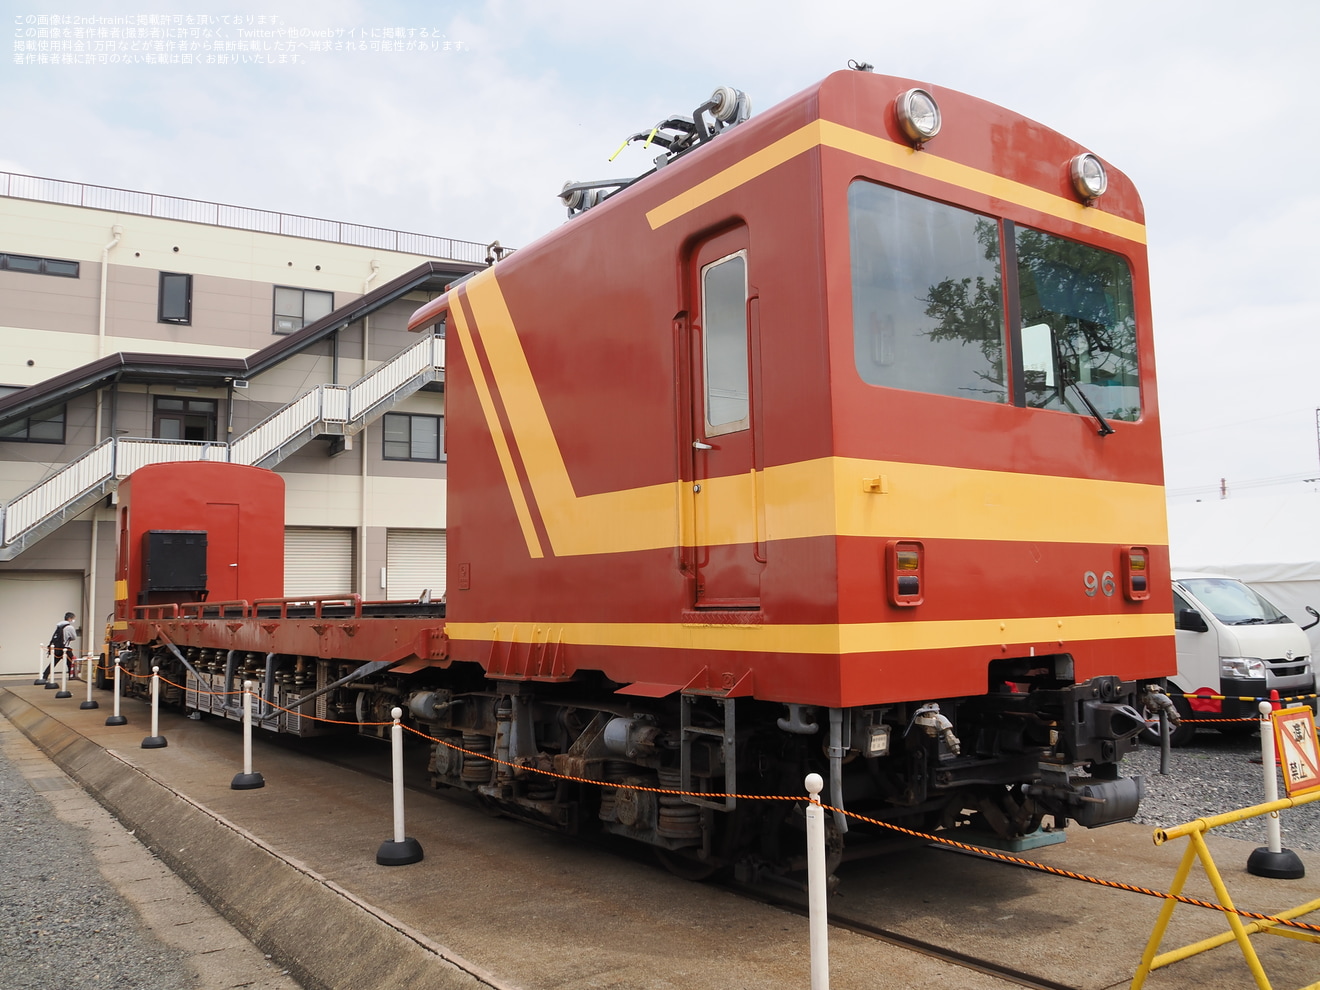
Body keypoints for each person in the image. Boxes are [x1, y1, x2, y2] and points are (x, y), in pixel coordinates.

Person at [42, 612, 77, 682]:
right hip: (66, 647)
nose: (73, 620)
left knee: (53, 662)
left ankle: (45, 676)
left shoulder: (59, 626)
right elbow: (74, 637)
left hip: (58, 647)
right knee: (71, 662)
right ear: (69, 619)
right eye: (73, 619)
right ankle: (71, 676)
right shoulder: (70, 627)